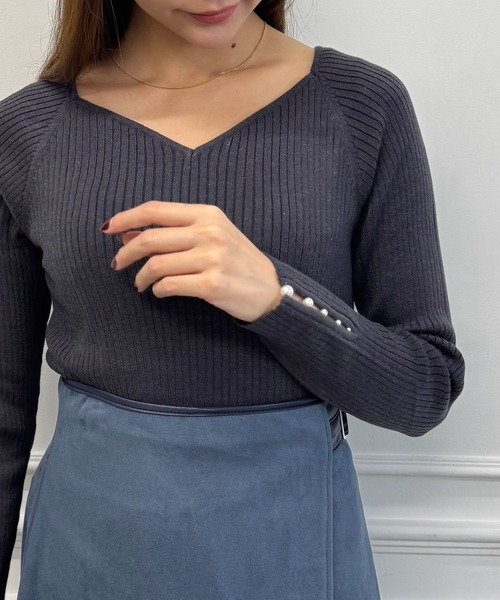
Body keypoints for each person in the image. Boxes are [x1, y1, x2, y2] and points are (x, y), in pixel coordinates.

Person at [0, 0, 465, 598]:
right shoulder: (29, 131)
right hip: (89, 551)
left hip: (292, 553)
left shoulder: (361, 107)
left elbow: (423, 390)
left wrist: (278, 296)